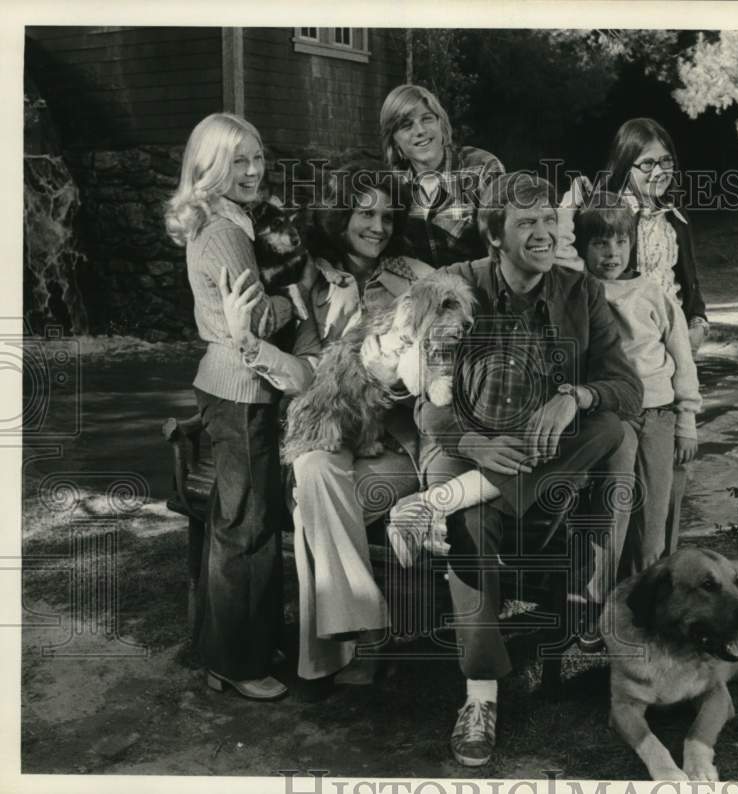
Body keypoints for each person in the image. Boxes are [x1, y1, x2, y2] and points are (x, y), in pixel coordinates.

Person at [413, 171, 642, 767]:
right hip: (467, 449)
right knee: (473, 521)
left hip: (542, 457)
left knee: (612, 428)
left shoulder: (578, 291)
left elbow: (627, 388)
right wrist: (475, 444)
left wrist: (577, 396)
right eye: (526, 224)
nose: (544, 234)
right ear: (494, 234)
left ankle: (462, 501)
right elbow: (423, 403)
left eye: (549, 221)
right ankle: (481, 696)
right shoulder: (456, 287)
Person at [219, 161, 434, 684]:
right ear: (341, 216)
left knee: (314, 504)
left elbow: (443, 356)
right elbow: (307, 372)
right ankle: (363, 632)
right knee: (313, 471)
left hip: (394, 446)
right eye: (365, 213)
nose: (378, 227)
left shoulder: (418, 277)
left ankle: (336, 654)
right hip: (332, 431)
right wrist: (253, 347)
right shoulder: (309, 278)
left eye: (387, 215)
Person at [165, 112, 309, 701]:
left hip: (230, 382)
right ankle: (237, 664)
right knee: (244, 526)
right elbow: (254, 325)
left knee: (245, 519)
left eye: (257, 157)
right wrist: (296, 300)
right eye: (239, 161)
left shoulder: (223, 217)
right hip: (240, 386)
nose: (254, 170)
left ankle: (244, 641)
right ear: (211, 167)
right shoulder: (225, 232)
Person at [574, 191, 702, 574]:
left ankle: (650, 586)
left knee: (656, 511)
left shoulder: (654, 293)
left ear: (633, 243)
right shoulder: (578, 290)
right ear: (581, 246)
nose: (612, 253)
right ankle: (602, 590)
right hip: (613, 416)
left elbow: (682, 361)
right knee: (615, 502)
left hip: (659, 415)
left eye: (621, 241)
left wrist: (687, 422)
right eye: (599, 243)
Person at [599, 117, 711, 555]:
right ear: (625, 165)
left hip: (675, 358)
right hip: (627, 363)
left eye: (666, 162)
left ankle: (663, 567)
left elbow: (691, 288)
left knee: (671, 473)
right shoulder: (606, 218)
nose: (658, 172)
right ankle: (620, 583)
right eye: (647, 164)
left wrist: (698, 324)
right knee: (620, 484)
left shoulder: (675, 220)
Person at [379, 84, 504, 268]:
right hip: (418, 290)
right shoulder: (392, 182)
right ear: (394, 141)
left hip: (480, 287)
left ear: (441, 125)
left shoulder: (481, 168)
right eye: (406, 125)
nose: (420, 130)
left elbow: (506, 247)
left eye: (427, 119)